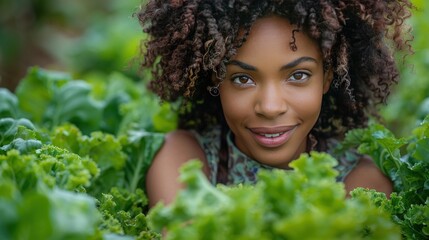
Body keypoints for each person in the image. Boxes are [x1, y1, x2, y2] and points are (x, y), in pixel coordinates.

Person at [136, 0, 413, 207]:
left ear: (327, 77)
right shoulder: (183, 160)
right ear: (215, 80)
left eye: (298, 75)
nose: (270, 107)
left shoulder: (362, 183)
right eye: (243, 79)